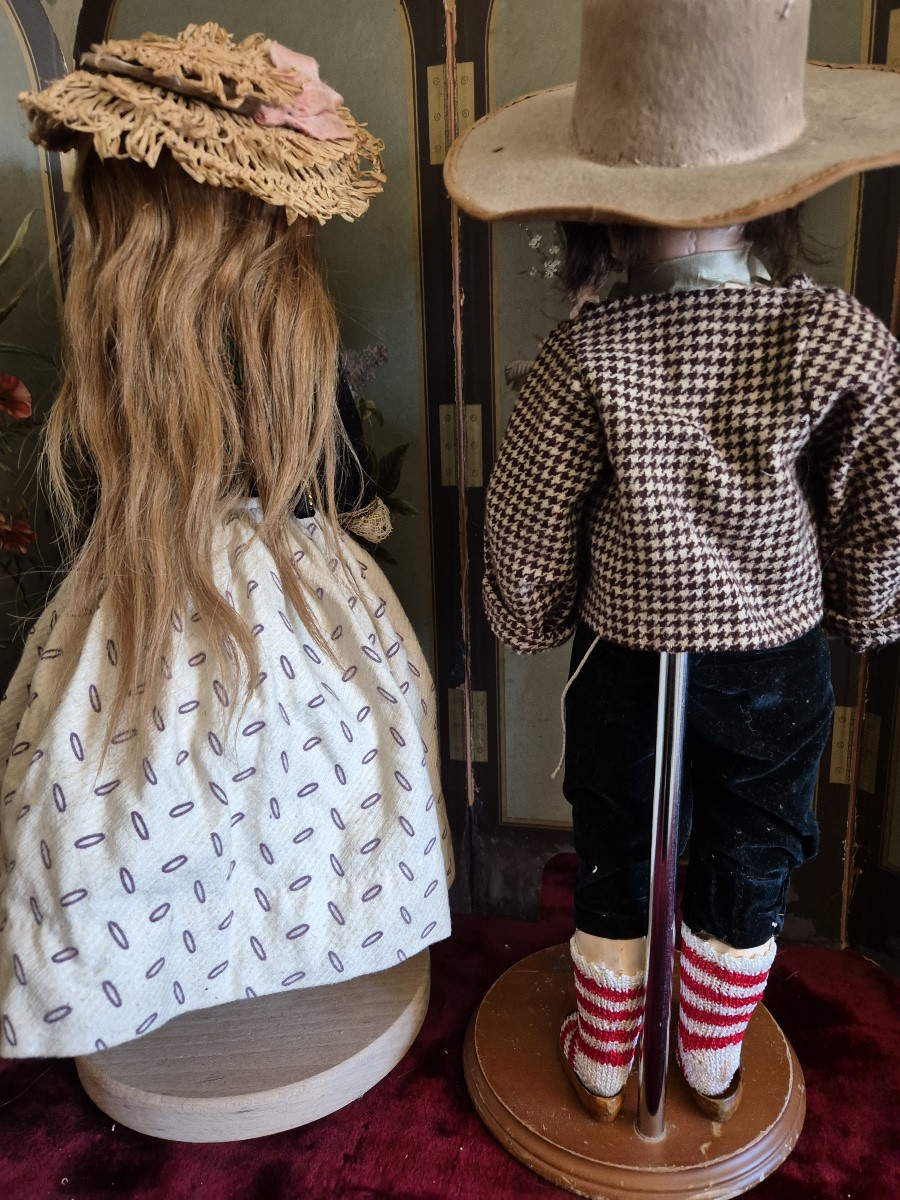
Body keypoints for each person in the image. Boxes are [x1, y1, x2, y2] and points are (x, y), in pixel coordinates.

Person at [444, 0, 900, 1121]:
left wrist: (529, 612)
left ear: (597, 205)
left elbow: (529, 510)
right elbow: (879, 500)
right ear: (773, 196)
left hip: (628, 654)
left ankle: (606, 1060)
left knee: (617, 834)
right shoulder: (836, 332)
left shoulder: (588, 346)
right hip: (775, 652)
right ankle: (708, 1057)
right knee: (757, 835)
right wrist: (864, 607)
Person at [0, 22, 453, 1059]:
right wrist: (360, 514)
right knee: (319, 782)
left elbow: (90, 475)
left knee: (133, 785)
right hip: (290, 576)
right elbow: (330, 475)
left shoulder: (117, 338)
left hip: (146, 581)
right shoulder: (293, 329)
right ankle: (300, 943)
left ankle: (151, 967)